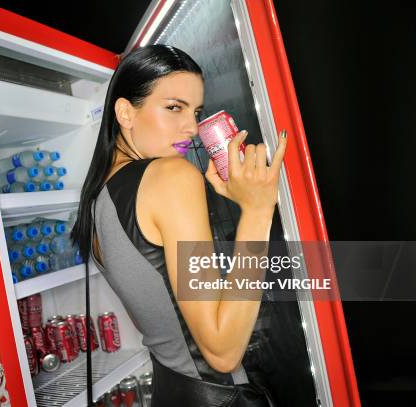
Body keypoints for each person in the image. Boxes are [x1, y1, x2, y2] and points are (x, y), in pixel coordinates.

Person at [71, 44, 287, 406]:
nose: (192, 127)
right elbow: (221, 352)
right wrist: (257, 211)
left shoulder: (97, 198)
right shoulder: (171, 175)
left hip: (171, 389)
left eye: (197, 111)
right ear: (125, 112)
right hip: (219, 395)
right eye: (174, 107)